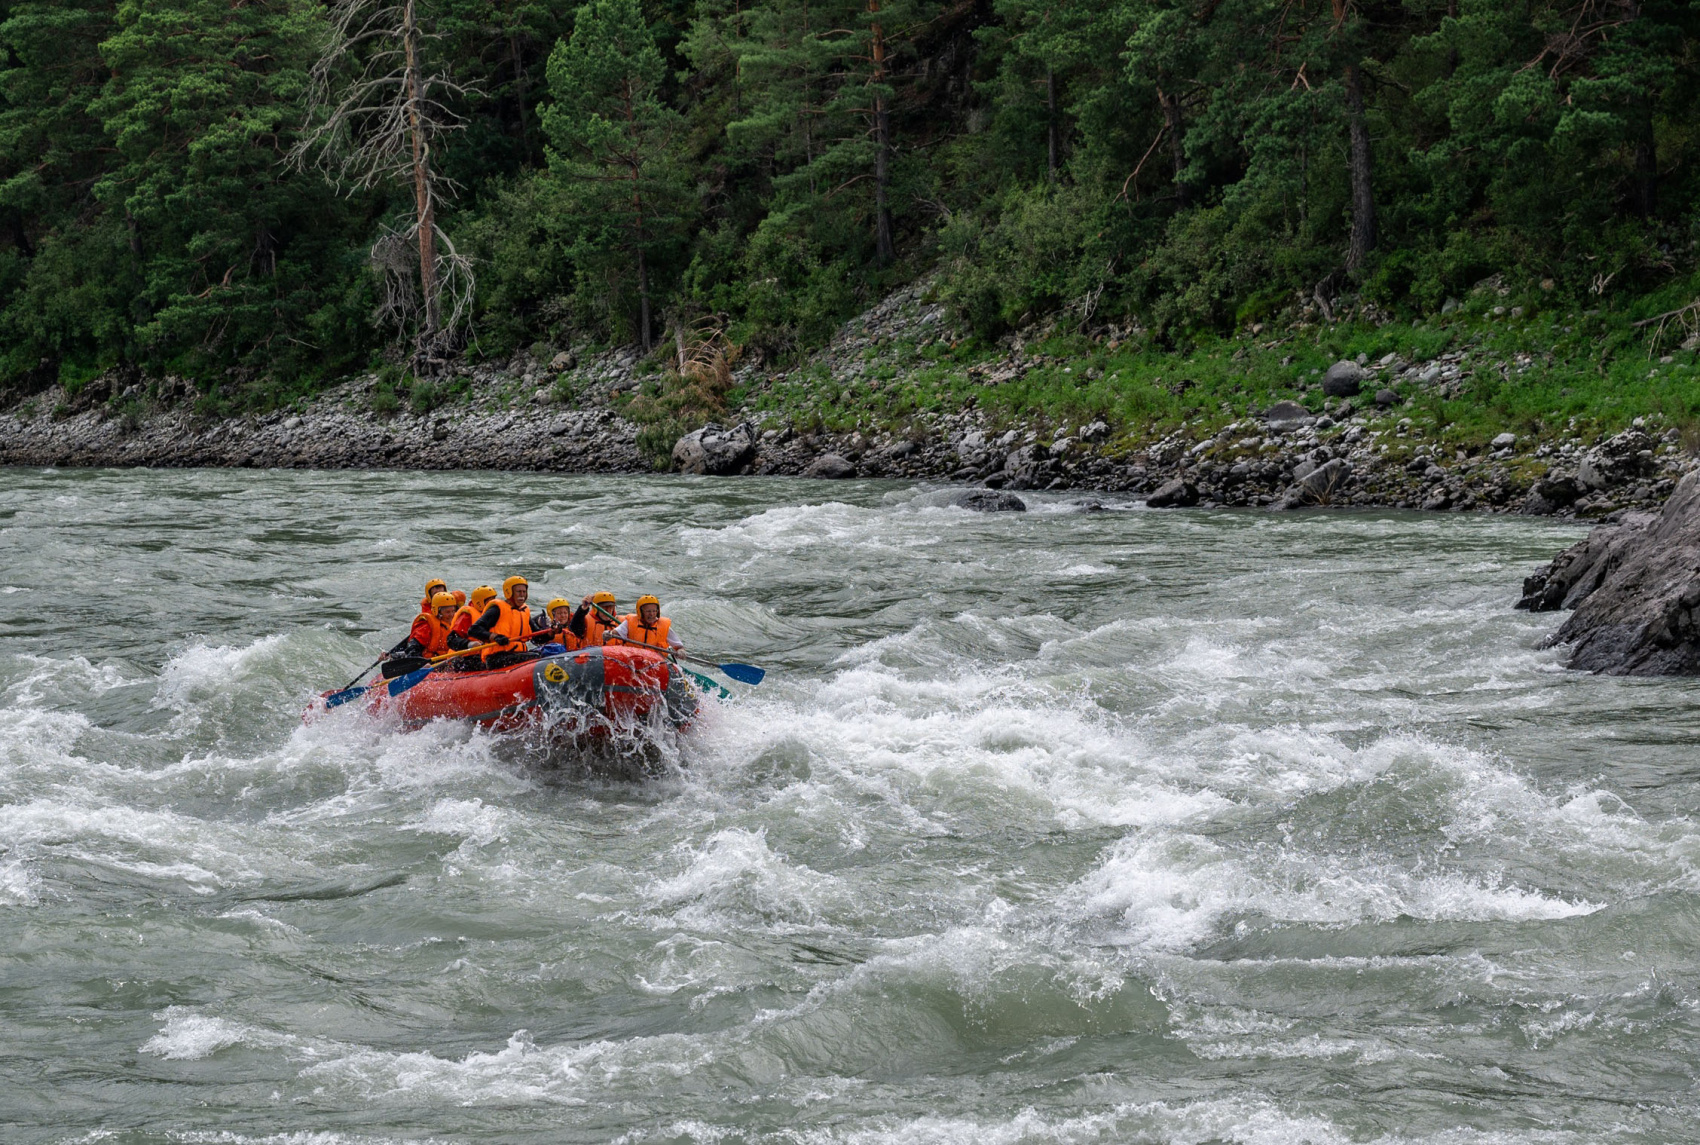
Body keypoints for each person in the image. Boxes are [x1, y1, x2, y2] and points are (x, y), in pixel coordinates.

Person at [469, 575, 546, 669]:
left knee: (545, 652)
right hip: (496, 658)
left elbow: (538, 639)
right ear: (509, 592)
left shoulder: (524, 611)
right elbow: (474, 630)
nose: (522, 595)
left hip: (517, 654)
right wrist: (495, 637)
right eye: (518, 592)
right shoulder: (497, 609)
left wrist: (551, 633)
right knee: (536, 657)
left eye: (524, 592)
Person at [393, 592, 457, 660]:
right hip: (430, 662)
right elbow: (413, 647)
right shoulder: (427, 626)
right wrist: (419, 664)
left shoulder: (455, 623)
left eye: (453, 611)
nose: (451, 615)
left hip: (448, 660)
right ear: (437, 611)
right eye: (447, 612)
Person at [611, 595, 683, 653]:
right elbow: (616, 632)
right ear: (641, 612)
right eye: (648, 611)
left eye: (654, 611)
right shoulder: (630, 622)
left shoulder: (663, 626)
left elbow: (679, 646)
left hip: (655, 662)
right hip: (632, 657)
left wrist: (681, 651)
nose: (652, 614)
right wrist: (609, 634)